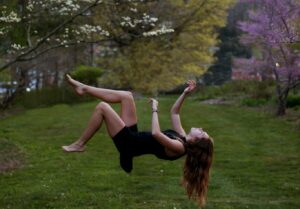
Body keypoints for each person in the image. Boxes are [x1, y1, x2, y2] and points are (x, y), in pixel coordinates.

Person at [62, 75, 214, 207]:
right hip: (134, 136)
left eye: (202, 132)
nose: (201, 128)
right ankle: (84, 88)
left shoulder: (179, 147)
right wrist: (184, 93)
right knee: (127, 96)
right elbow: (175, 113)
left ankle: (80, 144)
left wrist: (154, 109)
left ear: (197, 141)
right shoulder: (182, 137)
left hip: (129, 144)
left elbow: (156, 133)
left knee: (103, 107)